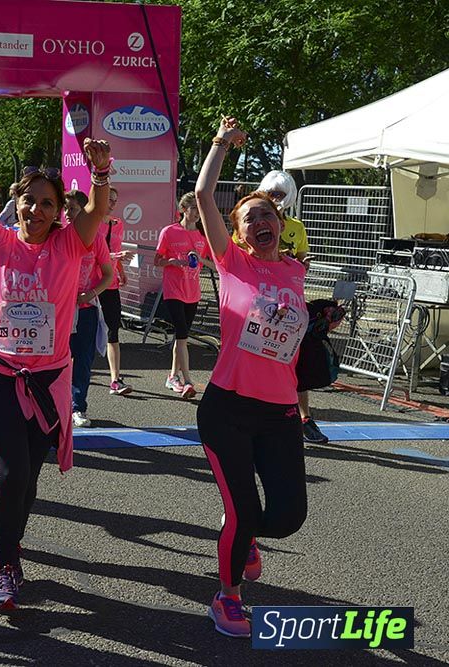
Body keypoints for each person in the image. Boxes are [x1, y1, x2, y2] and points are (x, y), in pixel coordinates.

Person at [0, 103, 111, 610]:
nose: (36, 210)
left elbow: (98, 210)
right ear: (18, 204)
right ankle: (6, 566)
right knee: (10, 469)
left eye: (47, 203)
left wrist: (100, 172)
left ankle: (12, 544)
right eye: (29, 201)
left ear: (59, 210)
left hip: (49, 382)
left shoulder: (70, 246)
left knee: (28, 476)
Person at [196, 117, 309, 638]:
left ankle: (242, 536)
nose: (261, 222)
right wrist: (222, 143)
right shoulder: (232, 264)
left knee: (287, 516)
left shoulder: (295, 271)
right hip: (228, 409)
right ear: (237, 234)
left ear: (281, 225)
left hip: (280, 411)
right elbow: (202, 192)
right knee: (242, 509)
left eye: (269, 214)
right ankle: (228, 596)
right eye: (250, 218)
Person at [253, 170, 328, 445]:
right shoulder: (252, 221)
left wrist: (299, 263)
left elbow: (302, 258)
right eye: (271, 193)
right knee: (257, 359)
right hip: (259, 302)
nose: (275, 199)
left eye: (280, 194)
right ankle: (259, 417)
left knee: (295, 362)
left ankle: (304, 418)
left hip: (291, 303)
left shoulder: (296, 226)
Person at [154, 192, 210, 399]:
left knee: (182, 337)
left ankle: (172, 376)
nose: (197, 212)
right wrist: (173, 261)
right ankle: (187, 380)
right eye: (193, 208)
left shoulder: (202, 236)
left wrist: (200, 261)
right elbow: (157, 260)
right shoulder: (169, 232)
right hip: (174, 291)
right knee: (182, 335)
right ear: (183, 210)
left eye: (199, 208)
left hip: (192, 292)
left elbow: (212, 263)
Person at [70, 218, 115, 427]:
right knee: (55, 362)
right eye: (66, 209)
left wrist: (90, 294)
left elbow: (108, 274)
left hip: (86, 311)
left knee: (83, 361)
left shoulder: (97, 239)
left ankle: (78, 407)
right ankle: (53, 406)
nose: (69, 214)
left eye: (74, 209)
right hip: (59, 310)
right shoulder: (59, 236)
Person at [99, 188, 134, 395]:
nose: (112, 204)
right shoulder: (92, 224)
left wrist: (120, 270)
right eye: (109, 200)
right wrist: (115, 256)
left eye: (114, 200)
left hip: (110, 283)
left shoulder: (118, 224)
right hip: (91, 284)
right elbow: (92, 253)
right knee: (81, 335)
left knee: (113, 331)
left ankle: (115, 379)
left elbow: (115, 252)